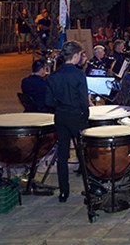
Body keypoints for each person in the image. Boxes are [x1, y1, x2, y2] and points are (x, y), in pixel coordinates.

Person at [45, 41, 89, 202]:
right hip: (76, 115)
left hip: (61, 116)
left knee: (62, 155)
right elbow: (84, 100)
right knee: (84, 153)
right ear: (76, 56)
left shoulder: (54, 75)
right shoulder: (79, 75)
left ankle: (64, 192)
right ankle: (89, 188)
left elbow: (48, 101)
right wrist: (85, 116)